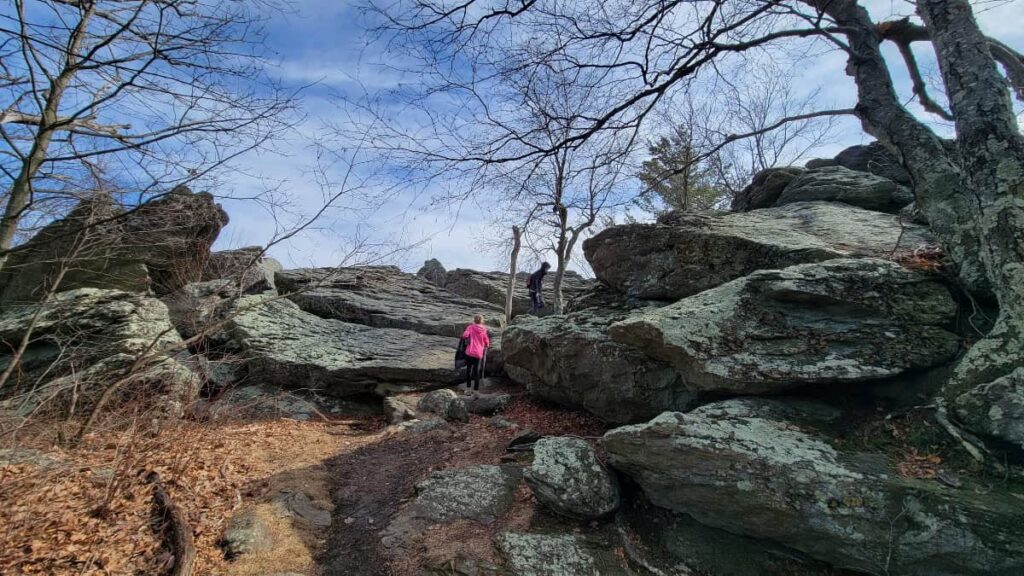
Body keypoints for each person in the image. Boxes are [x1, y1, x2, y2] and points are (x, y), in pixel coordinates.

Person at [462, 314, 490, 393]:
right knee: (476, 372)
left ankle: (468, 389)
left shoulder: (470, 327)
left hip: (469, 352)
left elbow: (464, 336)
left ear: (474, 320)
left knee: (468, 371)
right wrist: (486, 345)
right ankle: (476, 391)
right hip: (478, 354)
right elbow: (487, 342)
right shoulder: (484, 329)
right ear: (482, 321)